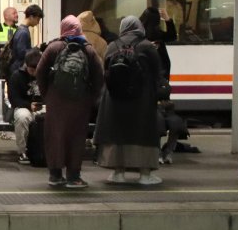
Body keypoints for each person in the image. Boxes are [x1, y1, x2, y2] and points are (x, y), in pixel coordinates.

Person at [35, 15, 105, 189]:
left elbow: (40, 71)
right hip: (80, 101)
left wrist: (47, 94)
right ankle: (74, 177)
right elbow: (99, 74)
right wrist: (91, 96)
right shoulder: (88, 49)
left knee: (55, 135)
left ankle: (55, 175)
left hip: (56, 99)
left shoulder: (54, 47)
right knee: (76, 136)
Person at [95, 15, 164, 185]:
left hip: (114, 100)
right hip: (142, 100)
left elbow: (105, 71)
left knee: (117, 133)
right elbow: (157, 74)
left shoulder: (112, 46)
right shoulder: (147, 46)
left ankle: (118, 173)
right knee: (143, 134)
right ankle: (145, 175)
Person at [8, 48, 44, 164]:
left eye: (36, 69)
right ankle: (22, 151)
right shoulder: (16, 76)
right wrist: (29, 105)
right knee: (22, 117)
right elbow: (13, 99)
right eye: (31, 69)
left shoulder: (45, 75)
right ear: (26, 65)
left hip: (42, 106)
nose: (34, 72)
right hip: (23, 106)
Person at [8, 4, 45, 75]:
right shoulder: (23, 32)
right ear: (31, 17)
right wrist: (36, 50)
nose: (38, 22)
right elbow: (22, 53)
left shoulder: (21, 29)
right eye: (38, 19)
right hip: (18, 69)